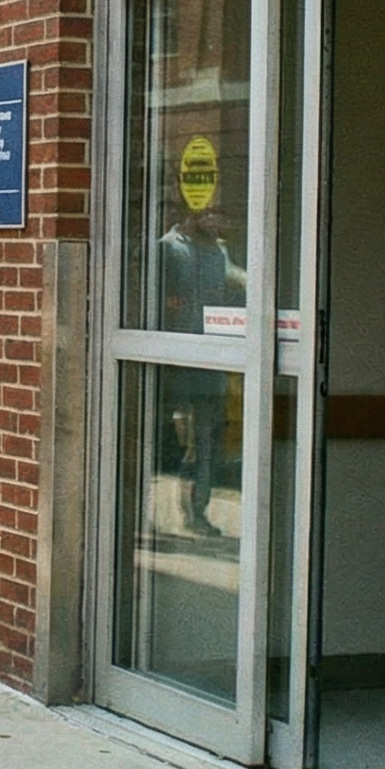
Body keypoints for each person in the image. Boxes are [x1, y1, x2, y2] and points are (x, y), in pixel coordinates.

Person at [154, 208, 244, 538]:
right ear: (193, 216)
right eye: (209, 215)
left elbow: (235, 279)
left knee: (209, 439)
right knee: (169, 440)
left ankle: (198, 512)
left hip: (211, 359)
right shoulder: (168, 249)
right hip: (174, 362)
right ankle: (160, 515)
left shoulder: (218, 251)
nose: (218, 221)